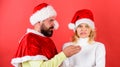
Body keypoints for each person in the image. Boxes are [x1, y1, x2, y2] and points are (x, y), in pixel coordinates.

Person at [11, 3, 81, 67]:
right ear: (39, 21)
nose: (54, 24)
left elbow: (56, 63)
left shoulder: (48, 41)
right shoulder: (30, 39)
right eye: (51, 20)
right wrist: (64, 54)